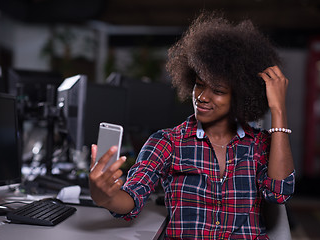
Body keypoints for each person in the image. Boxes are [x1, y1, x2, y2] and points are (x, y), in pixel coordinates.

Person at [89, 10, 295, 239]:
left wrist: (278, 110)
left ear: (240, 96)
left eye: (218, 91)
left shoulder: (259, 144)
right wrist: (105, 197)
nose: (202, 97)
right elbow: (131, 199)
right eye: (199, 84)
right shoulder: (167, 142)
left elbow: (279, 194)